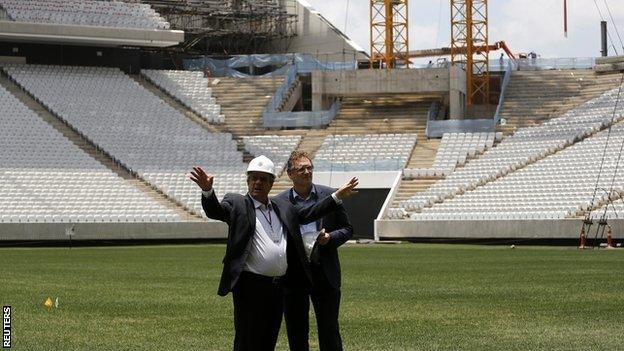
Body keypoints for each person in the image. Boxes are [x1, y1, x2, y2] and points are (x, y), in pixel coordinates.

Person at [189, 155, 358, 351]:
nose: (257, 182)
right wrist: (208, 191)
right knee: (247, 339)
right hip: (249, 286)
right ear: (248, 181)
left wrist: (336, 197)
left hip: (277, 287)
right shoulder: (237, 203)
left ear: (271, 184)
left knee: (268, 338)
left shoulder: (282, 206)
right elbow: (216, 211)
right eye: (253, 178)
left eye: (263, 179)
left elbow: (308, 214)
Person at [276, 151, 353, 351]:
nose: (307, 172)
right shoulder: (279, 202)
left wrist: (330, 239)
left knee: (329, 330)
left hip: (325, 272)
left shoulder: (329, 195)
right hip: (294, 275)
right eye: (301, 169)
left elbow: (347, 229)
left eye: (309, 168)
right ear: (290, 174)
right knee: (296, 331)